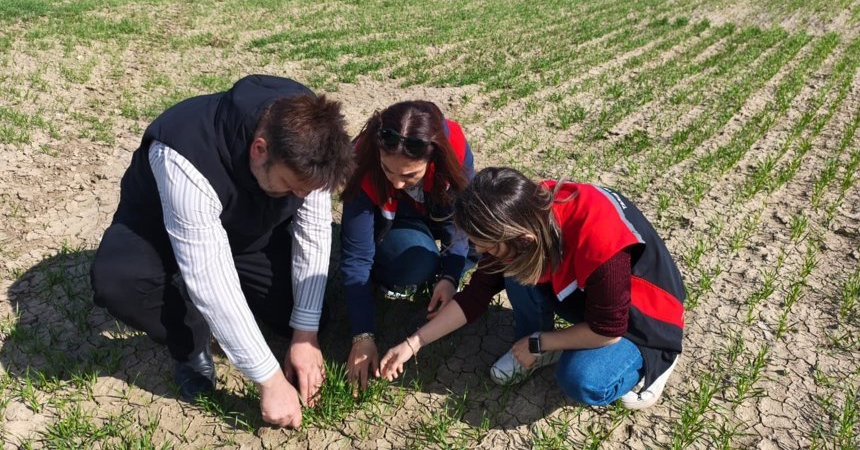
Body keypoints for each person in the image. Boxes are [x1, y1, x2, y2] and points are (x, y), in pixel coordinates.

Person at [90, 75, 354, 428]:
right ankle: (190, 341)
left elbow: (314, 230)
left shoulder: (311, 140)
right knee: (120, 281)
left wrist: (305, 333)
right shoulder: (184, 153)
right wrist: (270, 380)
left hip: (242, 231)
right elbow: (209, 276)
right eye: (291, 187)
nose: (300, 199)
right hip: (157, 232)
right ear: (259, 149)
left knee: (301, 312)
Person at [380, 167, 685, 410]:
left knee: (582, 379)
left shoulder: (601, 243)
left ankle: (653, 362)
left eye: (486, 246)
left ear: (522, 240)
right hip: (592, 295)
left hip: (642, 316)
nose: (479, 252)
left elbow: (608, 330)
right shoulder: (521, 213)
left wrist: (542, 341)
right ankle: (540, 348)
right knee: (514, 272)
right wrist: (413, 343)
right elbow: (476, 295)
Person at [339, 101, 475, 391]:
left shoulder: (455, 149)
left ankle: (442, 262)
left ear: (434, 157)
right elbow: (356, 257)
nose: (398, 184)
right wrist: (362, 335)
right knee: (416, 264)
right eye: (388, 171)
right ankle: (403, 256)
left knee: (483, 239)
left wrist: (451, 275)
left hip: (437, 212)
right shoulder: (361, 161)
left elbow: (462, 221)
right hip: (397, 223)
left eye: (410, 175)